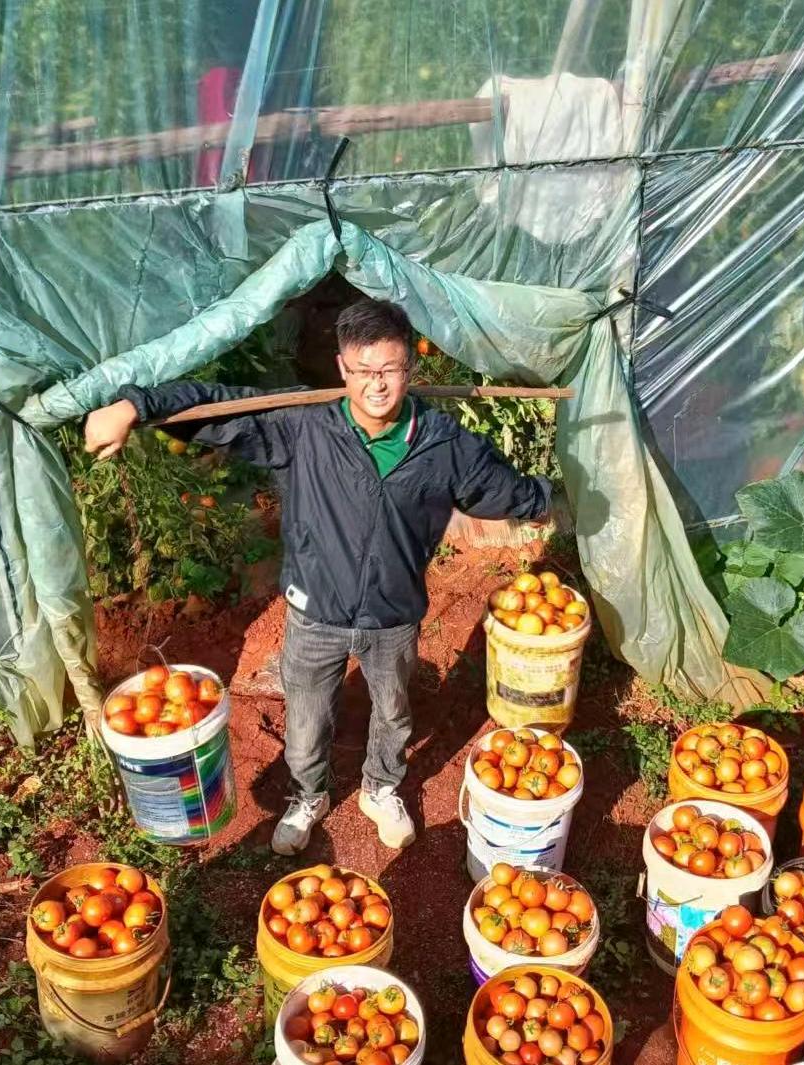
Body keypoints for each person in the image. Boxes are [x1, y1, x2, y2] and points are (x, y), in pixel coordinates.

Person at [84, 299, 551, 854]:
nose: (377, 385)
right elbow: (219, 407)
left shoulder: (445, 445)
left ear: (410, 367)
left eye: (390, 369)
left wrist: (547, 499)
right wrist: (134, 406)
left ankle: (381, 788)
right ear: (342, 368)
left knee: (394, 714)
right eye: (364, 370)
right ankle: (308, 795)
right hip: (315, 612)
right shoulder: (303, 427)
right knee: (305, 722)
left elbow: (502, 490)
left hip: (393, 613)